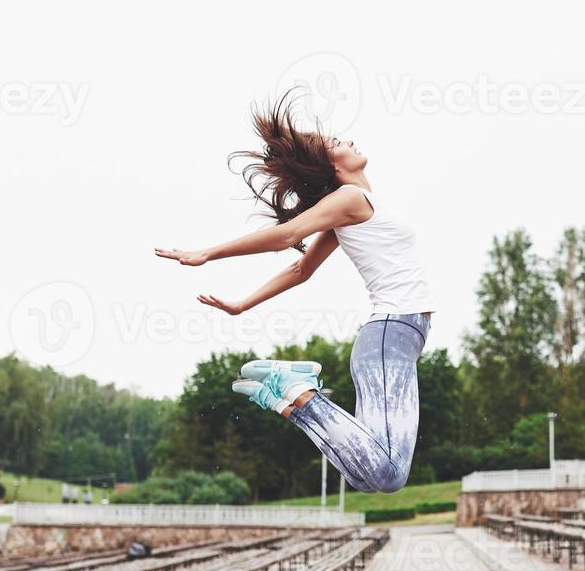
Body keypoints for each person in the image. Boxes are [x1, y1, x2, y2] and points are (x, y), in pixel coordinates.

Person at [155, 93, 433, 493]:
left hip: (401, 339)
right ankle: (295, 389)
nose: (348, 140)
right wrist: (208, 253)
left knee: (373, 477)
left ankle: (289, 395)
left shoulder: (356, 206)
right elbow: (287, 237)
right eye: (337, 143)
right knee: (387, 475)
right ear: (332, 166)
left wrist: (242, 304)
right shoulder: (350, 199)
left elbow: (301, 269)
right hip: (391, 334)